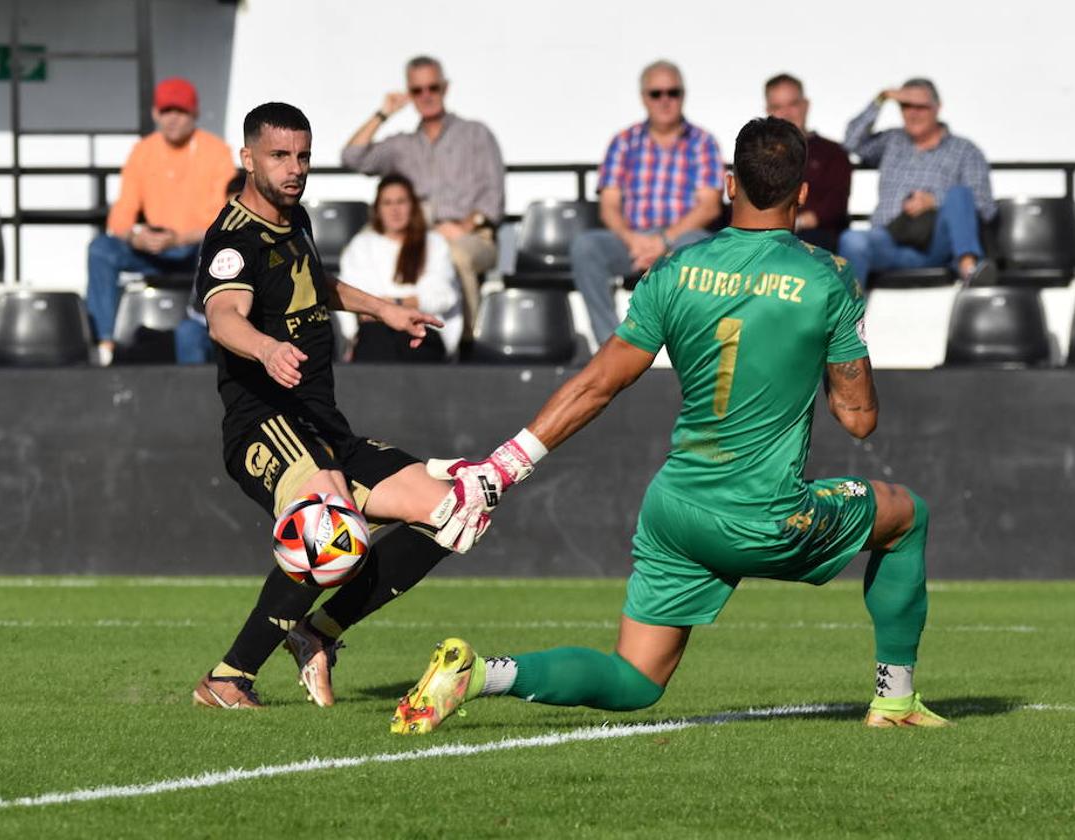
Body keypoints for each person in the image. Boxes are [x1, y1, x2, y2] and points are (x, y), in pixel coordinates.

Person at [391, 117, 948, 735]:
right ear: (804, 194)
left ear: (730, 184)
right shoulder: (826, 277)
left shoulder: (676, 270)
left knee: (634, 680)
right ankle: (895, 703)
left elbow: (597, 384)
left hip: (675, 509)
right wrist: (839, 336)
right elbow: (859, 419)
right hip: (763, 514)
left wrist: (502, 468)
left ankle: (480, 674)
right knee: (908, 515)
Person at [191, 102, 491, 710]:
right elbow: (224, 317)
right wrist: (265, 346)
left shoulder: (292, 217)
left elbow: (313, 286)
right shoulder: (232, 239)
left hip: (323, 425)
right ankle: (228, 679)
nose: (294, 168)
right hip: (264, 424)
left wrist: (383, 308)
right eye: (279, 156)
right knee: (329, 531)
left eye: (302, 155)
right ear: (247, 158)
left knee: (460, 510)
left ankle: (317, 632)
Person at [341, 56, 503, 341]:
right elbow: (352, 157)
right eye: (417, 90)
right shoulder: (402, 144)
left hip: (471, 234)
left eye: (433, 88)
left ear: (445, 88)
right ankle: (364, 335)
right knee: (364, 244)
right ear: (409, 94)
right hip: (415, 232)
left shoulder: (476, 134)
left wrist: (465, 226)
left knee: (456, 254)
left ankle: (466, 344)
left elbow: (493, 197)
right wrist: (383, 113)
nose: (426, 96)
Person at [572, 60, 724, 347]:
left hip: (681, 239)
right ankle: (612, 347)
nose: (665, 100)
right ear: (644, 98)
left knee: (698, 248)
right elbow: (609, 205)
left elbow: (709, 206)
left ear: (683, 95)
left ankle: (691, 346)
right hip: (633, 240)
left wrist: (664, 241)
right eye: (657, 93)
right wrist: (634, 241)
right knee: (586, 247)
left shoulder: (703, 142)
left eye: (673, 92)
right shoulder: (623, 142)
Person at [86, 77, 236, 365]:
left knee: (218, 245)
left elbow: (224, 218)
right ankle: (103, 345)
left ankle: (205, 331)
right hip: (152, 247)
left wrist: (180, 238)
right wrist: (135, 236)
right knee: (101, 249)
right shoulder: (143, 151)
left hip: (195, 247)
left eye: (180, 112)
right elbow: (121, 213)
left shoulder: (217, 152)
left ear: (194, 115)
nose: (172, 119)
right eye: (166, 111)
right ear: (156, 114)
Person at [838, 78, 996, 288]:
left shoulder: (964, 150)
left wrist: (935, 201)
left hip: (934, 245)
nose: (912, 113)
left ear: (937, 108)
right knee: (851, 240)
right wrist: (882, 97)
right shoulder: (892, 141)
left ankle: (969, 269)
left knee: (959, 193)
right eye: (905, 106)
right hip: (889, 240)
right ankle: (848, 319)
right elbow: (850, 142)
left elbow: (985, 207)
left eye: (920, 106)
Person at [335, 174, 462, 361]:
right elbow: (353, 295)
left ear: (413, 206)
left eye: (401, 202)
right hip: (375, 333)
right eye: (387, 203)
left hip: (423, 330)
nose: (395, 209)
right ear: (378, 209)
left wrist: (388, 306)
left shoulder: (434, 244)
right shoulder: (361, 246)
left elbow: (442, 296)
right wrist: (409, 302)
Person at [764, 73, 852, 252]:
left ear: (806, 105)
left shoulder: (833, 153)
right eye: (777, 107)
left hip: (815, 238)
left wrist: (796, 223)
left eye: (793, 104)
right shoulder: (756, 153)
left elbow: (835, 205)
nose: (786, 113)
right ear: (768, 111)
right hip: (765, 237)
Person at [175, 172, 247, 365]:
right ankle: (194, 394)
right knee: (187, 333)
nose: (236, 214)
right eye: (231, 205)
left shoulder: (266, 241)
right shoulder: (213, 239)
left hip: (250, 328)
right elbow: (200, 301)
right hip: (207, 323)